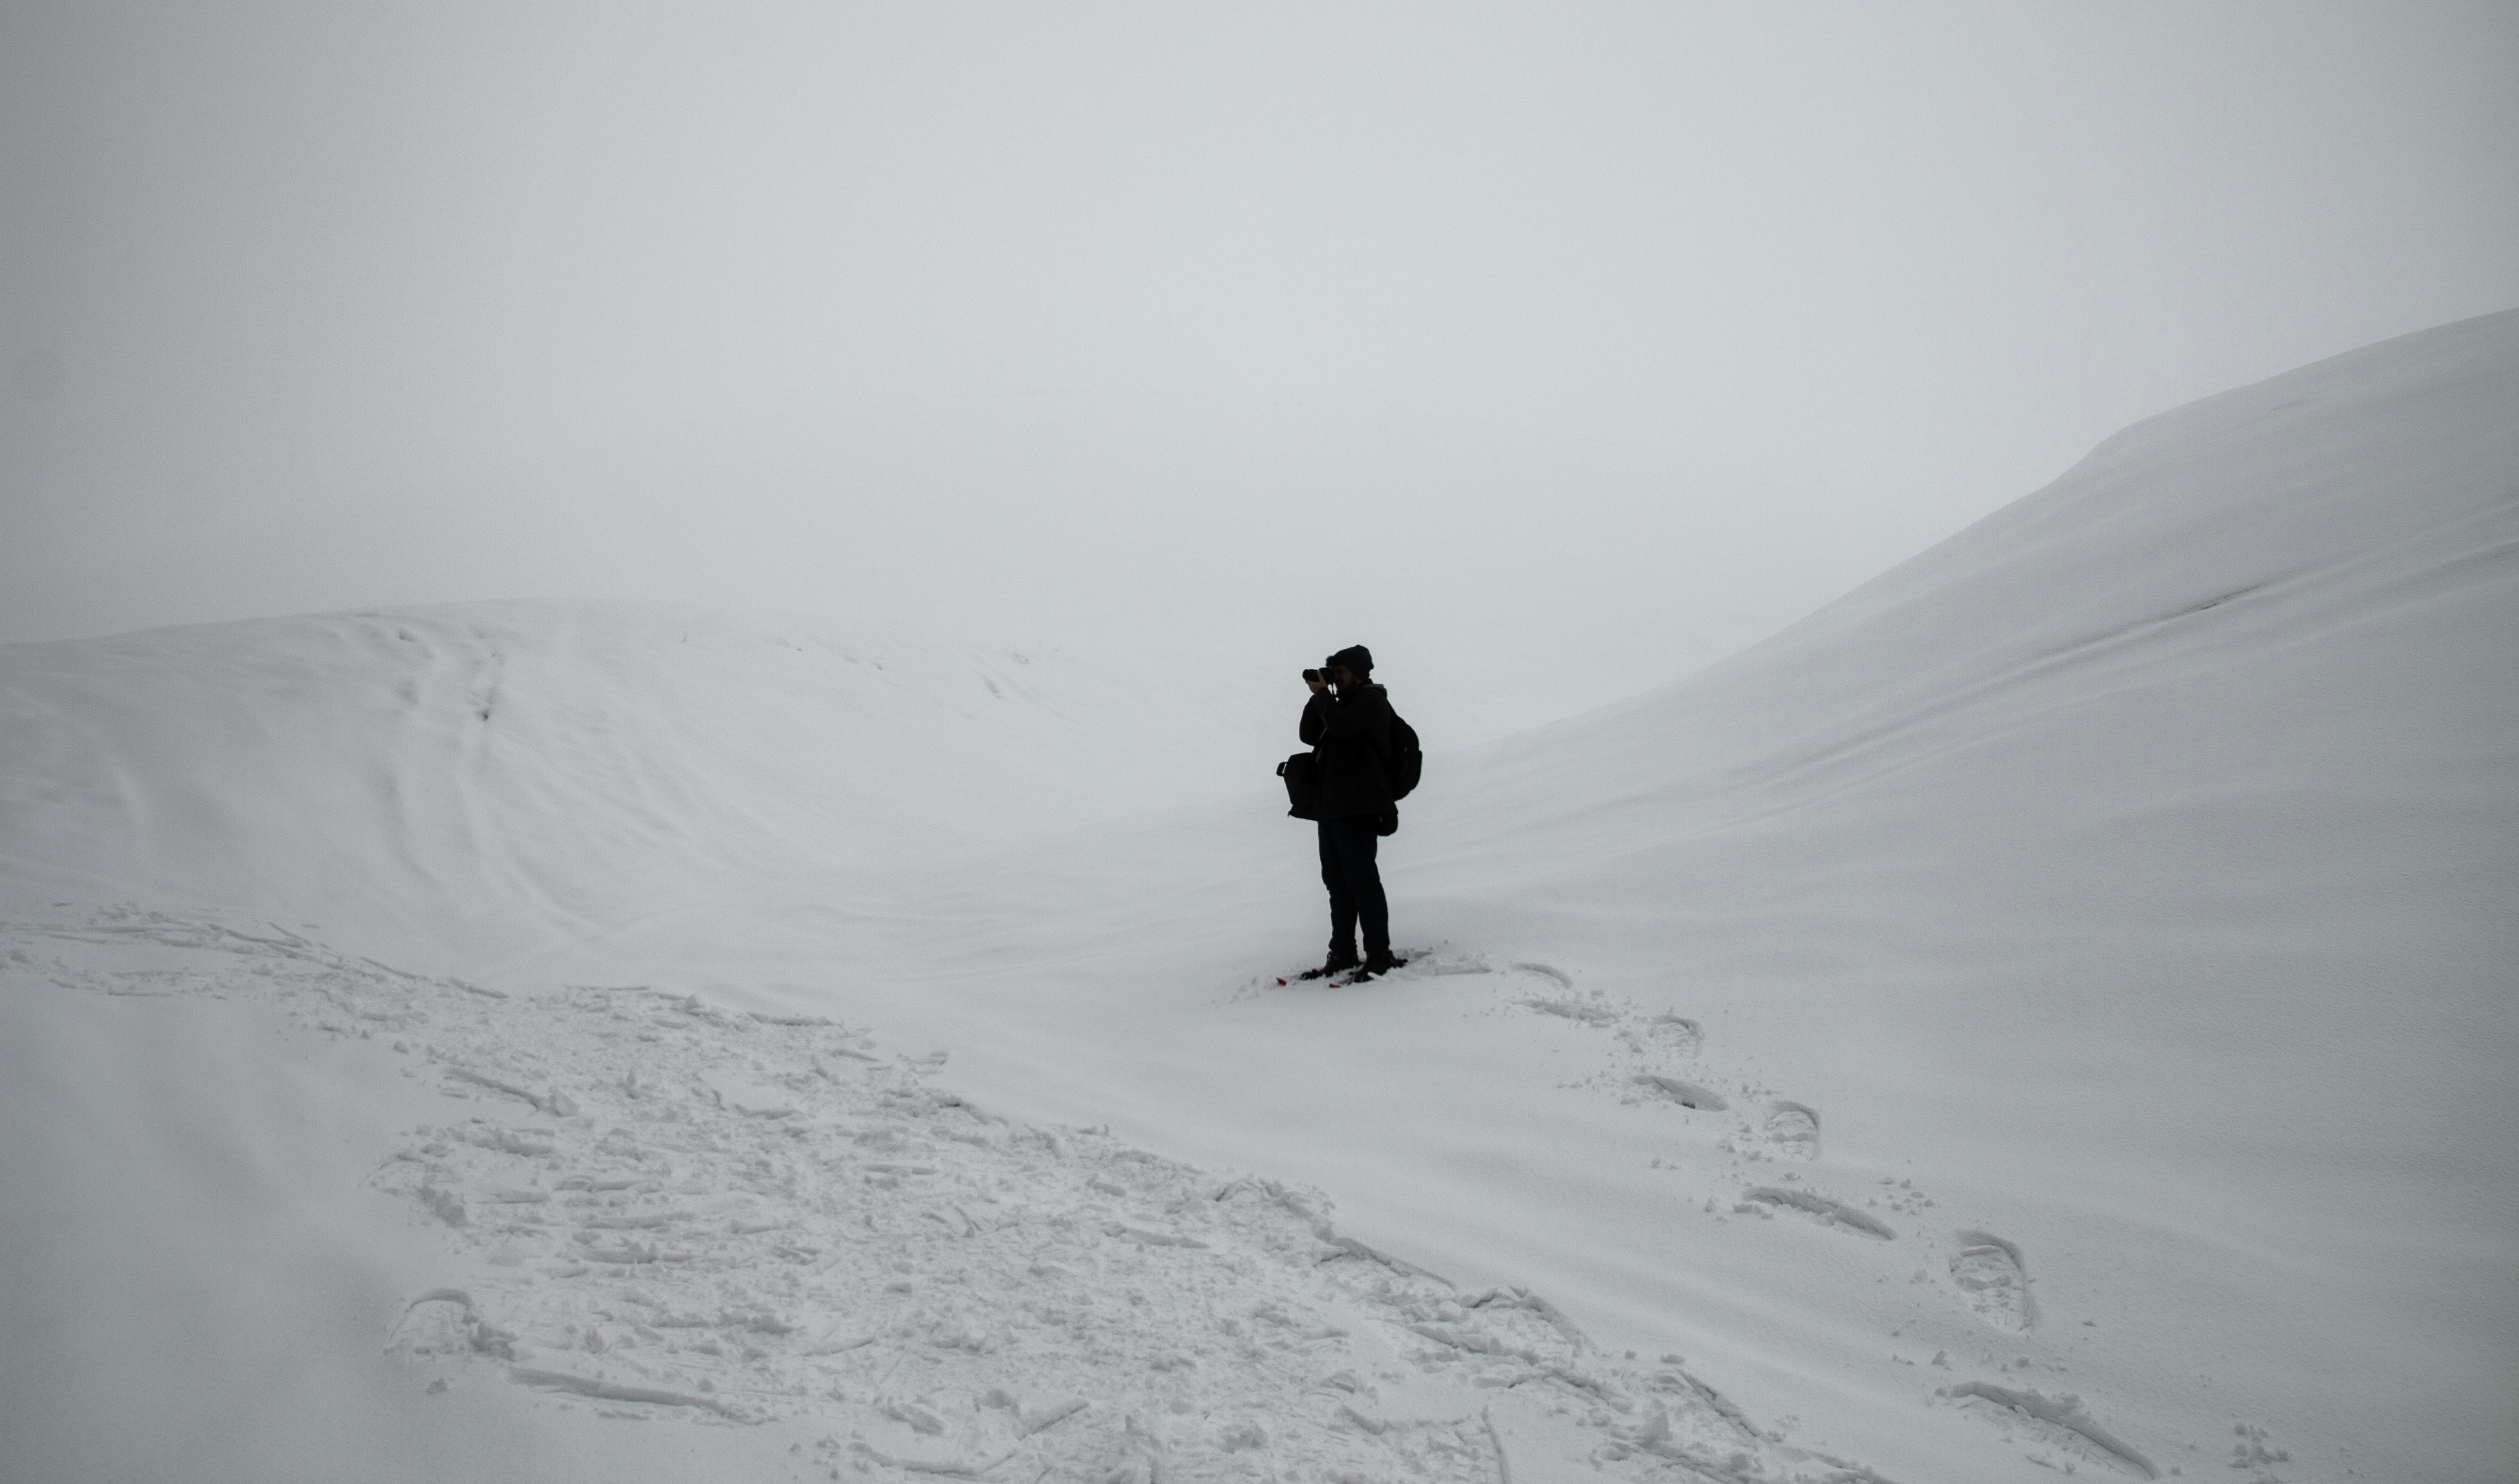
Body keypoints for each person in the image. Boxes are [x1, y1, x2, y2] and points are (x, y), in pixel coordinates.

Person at [1297, 644, 1406, 981]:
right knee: (1337, 883)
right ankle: (1343, 953)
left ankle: (1379, 955)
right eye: (1333, 672)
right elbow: (1307, 734)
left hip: (1358, 806)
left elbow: (1343, 727)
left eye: (1340, 671)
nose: (1336, 677)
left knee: (1362, 881)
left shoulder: (1371, 700)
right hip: (1332, 808)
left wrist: (1323, 696)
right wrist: (1320, 695)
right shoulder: (1338, 704)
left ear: (1358, 672)